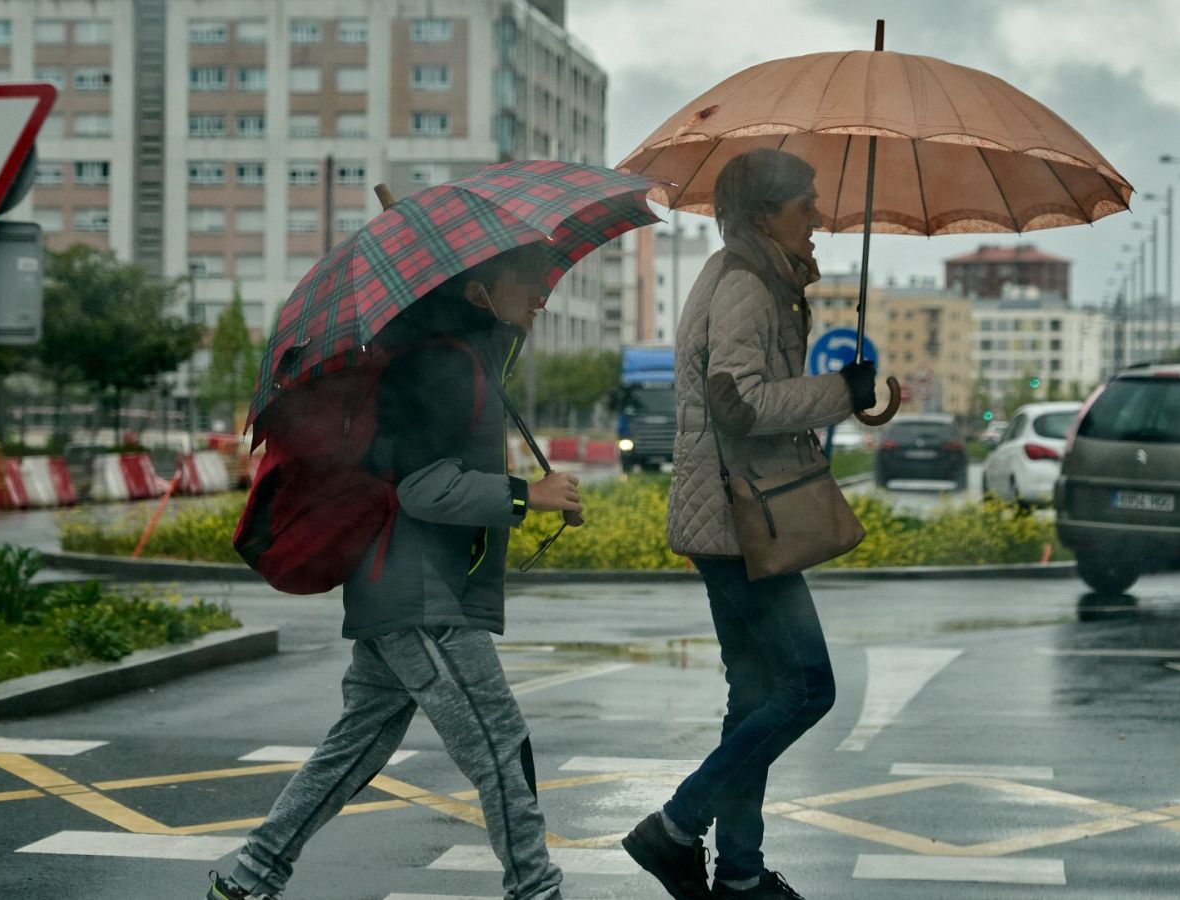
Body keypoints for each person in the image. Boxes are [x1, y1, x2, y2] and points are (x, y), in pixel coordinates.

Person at [208, 244, 579, 900]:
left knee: (354, 750)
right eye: (528, 282)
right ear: (479, 293)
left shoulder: (462, 357)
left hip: (400, 588)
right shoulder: (444, 366)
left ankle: (247, 882)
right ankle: (537, 891)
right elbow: (422, 489)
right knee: (498, 745)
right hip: (420, 596)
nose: (543, 297)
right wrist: (526, 496)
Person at [621, 148, 878, 900]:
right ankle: (674, 826)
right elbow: (741, 404)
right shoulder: (744, 285)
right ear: (765, 213)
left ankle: (737, 873)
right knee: (807, 688)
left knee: (753, 695)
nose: (820, 218)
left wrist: (846, 393)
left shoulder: (747, 274)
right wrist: (836, 393)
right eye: (806, 205)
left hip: (737, 513)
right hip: (741, 519)